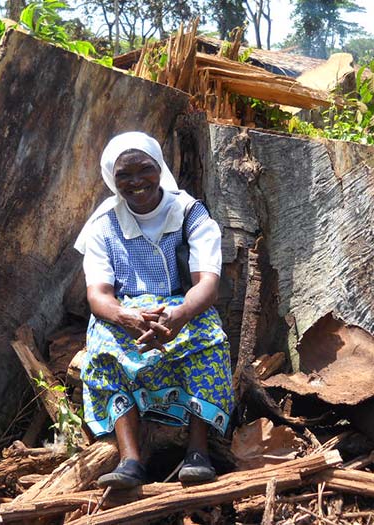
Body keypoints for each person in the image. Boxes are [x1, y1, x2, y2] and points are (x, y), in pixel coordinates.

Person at [74, 131, 233, 488]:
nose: (136, 181)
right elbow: (98, 295)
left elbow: (207, 283)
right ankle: (130, 459)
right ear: (111, 179)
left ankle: (198, 452)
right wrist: (125, 317)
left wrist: (181, 314)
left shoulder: (189, 213)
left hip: (182, 306)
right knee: (102, 347)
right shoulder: (103, 224)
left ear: (159, 167)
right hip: (128, 314)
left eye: (145, 169)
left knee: (209, 340)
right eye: (124, 175)